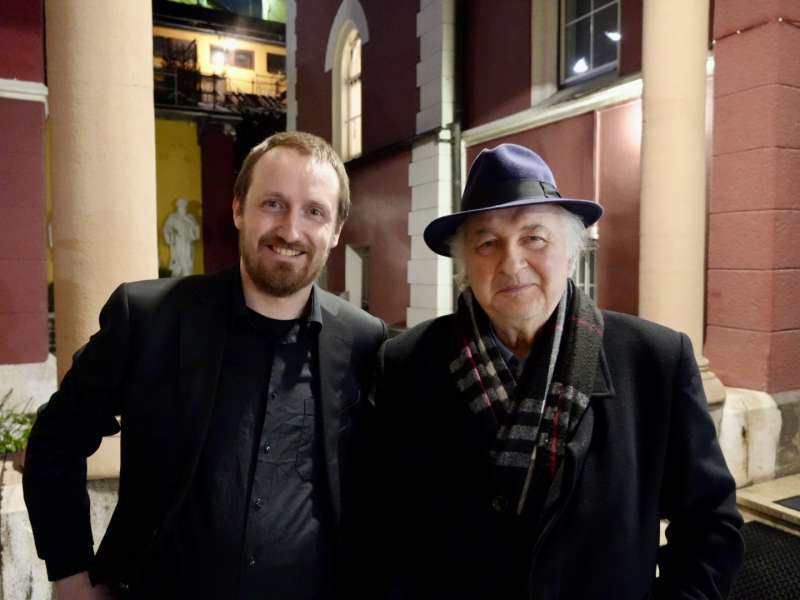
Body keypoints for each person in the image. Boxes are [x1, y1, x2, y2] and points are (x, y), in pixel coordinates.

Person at [366, 144, 743, 599]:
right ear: (466, 268)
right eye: (487, 243)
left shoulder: (655, 360)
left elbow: (710, 527)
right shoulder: (406, 363)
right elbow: (384, 525)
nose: (512, 263)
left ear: (570, 254)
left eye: (535, 238)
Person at [23, 131, 386, 599]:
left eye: (314, 211)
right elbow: (56, 439)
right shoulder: (150, 319)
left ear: (335, 230)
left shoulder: (364, 342)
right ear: (238, 209)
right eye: (272, 203)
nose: (290, 231)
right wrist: (70, 571)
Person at [163, 197, 200, 277]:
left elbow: (196, 229)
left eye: (185, 206)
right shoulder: (173, 217)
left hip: (189, 242)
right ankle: (186, 279)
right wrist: (170, 235)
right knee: (182, 262)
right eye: (182, 206)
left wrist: (194, 227)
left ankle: (187, 278)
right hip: (179, 242)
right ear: (178, 206)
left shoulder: (190, 217)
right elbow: (166, 228)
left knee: (190, 262)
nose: (183, 207)